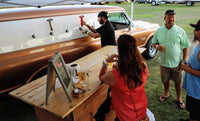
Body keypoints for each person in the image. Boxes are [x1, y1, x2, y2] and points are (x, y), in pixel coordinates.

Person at [99, 34, 148, 121]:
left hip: (125, 116)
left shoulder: (114, 75)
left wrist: (106, 62)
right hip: (141, 112)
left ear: (118, 50)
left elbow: (101, 77)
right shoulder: (143, 66)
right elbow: (130, 75)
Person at [152, 10, 190, 109]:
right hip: (163, 62)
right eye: (169, 17)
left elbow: (186, 46)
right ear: (165, 18)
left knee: (178, 82)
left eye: (173, 17)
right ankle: (166, 94)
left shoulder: (180, 31)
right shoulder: (159, 31)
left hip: (177, 62)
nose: (171, 19)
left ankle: (179, 98)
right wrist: (157, 47)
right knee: (165, 80)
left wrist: (184, 60)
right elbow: (154, 42)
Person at [180, 20, 200, 121]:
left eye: (197, 29)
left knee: (196, 114)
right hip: (193, 89)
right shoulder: (198, 44)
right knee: (192, 112)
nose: (194, 31)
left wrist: (188, 69)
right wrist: (187, 65)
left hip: (198, 93)